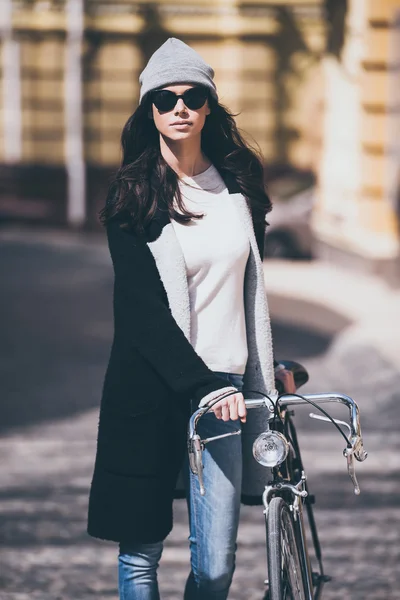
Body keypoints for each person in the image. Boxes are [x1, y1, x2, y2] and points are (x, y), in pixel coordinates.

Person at [87, 37, 295, 600]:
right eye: (164, 98)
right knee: (141, 554)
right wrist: (200, 384)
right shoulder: (134, 196)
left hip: (223, 393)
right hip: (151, 387)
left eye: (191, 95)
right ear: (148, 110)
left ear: (208, 106)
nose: (178, 107)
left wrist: (268, 366)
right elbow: (139, 312)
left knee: (215, 566)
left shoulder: (238, 194)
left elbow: (245, 294)